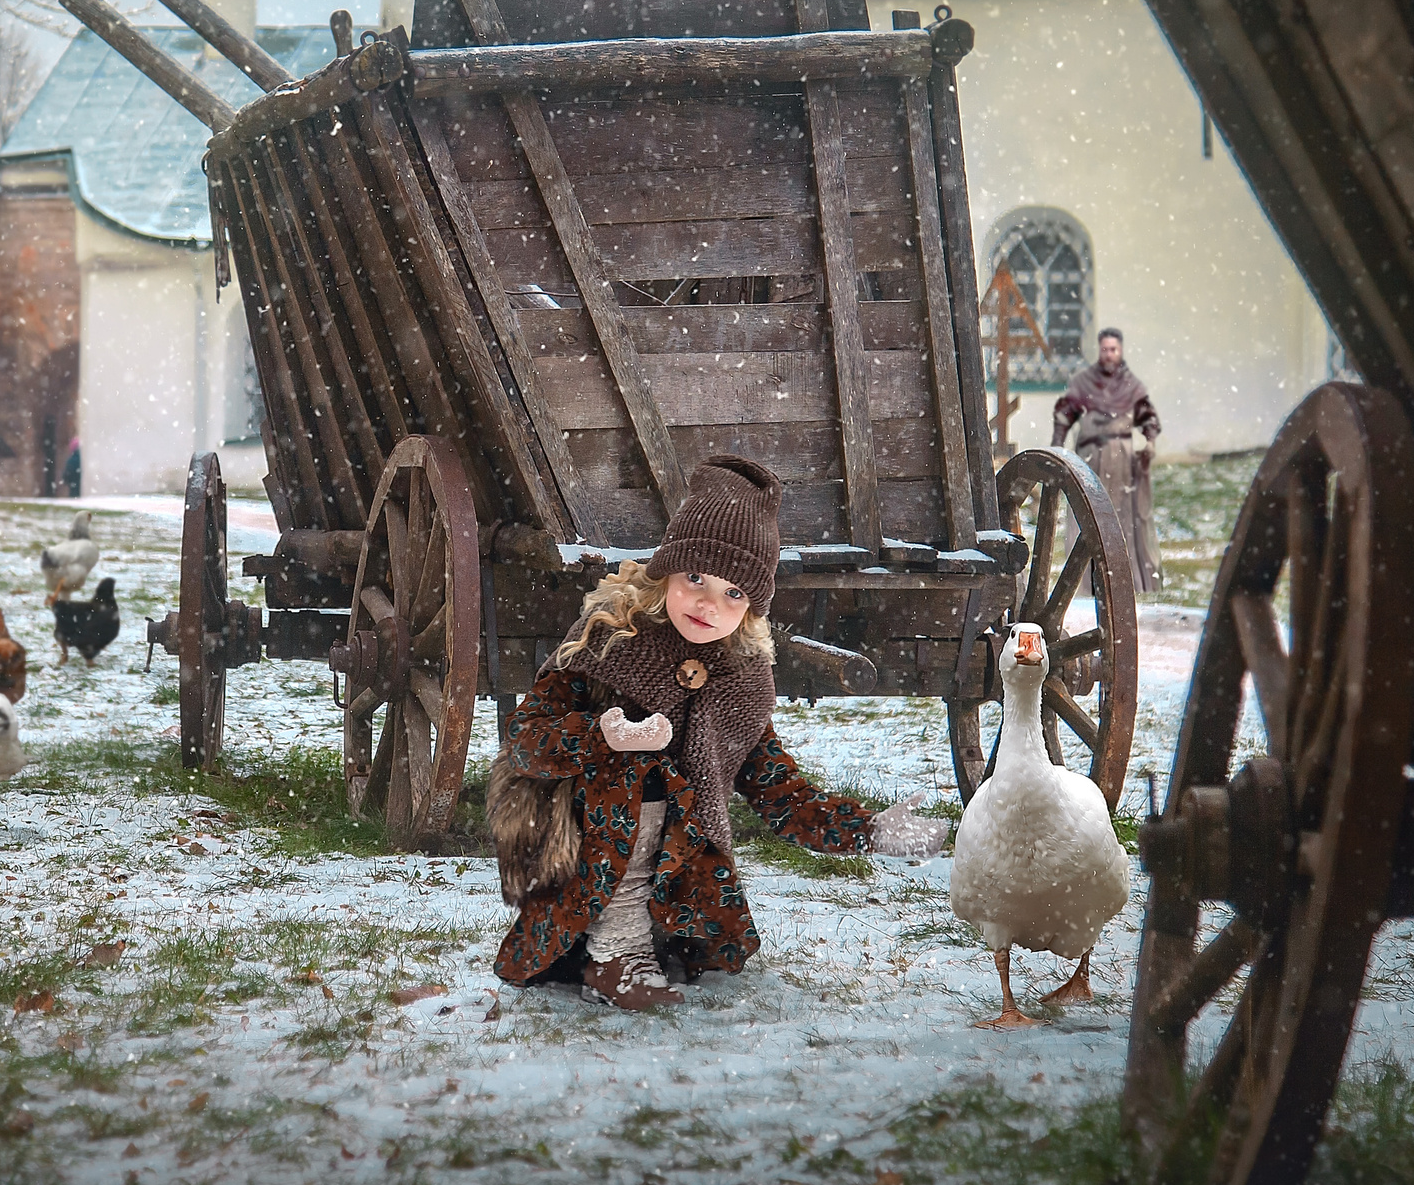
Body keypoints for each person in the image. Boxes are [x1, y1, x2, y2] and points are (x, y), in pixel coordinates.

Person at [488, 456, 951, 1010]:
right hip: (570, 848)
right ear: (667, 572)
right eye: (696, 579)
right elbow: (526, 738)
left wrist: (868, 831)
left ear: (753, 606)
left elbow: (782, 797)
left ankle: (654, 936)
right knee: (636, 771)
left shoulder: (740, 680)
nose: (710, 603)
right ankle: (614, 953)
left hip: (675, 878)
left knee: (663, 789)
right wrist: (599, 736)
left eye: (734, 593)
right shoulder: (611, 637)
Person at [1051, 328, 1162, 590]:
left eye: (1114, 349)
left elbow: (1148, 418)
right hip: (1090, 457)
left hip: (1121, 460)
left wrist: (1149, 442)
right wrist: (1057, 445)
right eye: (1105, 349)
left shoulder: (1131, 385)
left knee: (1120, 519)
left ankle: (1120, 581)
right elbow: (1065, 414)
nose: (1109, 354)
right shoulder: (1084, 382)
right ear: (1100, 351)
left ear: (1120, 351)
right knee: (1087, 515)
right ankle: (1086, 581)